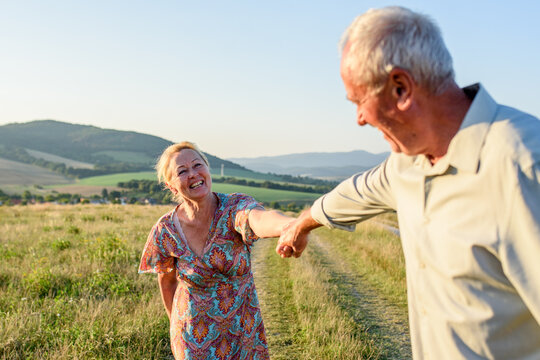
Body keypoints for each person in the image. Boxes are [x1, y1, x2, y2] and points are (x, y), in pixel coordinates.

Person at [277, 6, 540, 359]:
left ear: (401, 88)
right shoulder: (406, 164)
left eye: (358, 101)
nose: (358, 119)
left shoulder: (522, 164)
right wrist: (302, 224)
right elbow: (354, 194)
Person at [139, 141, 293, 360]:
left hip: (243, 334)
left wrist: (288, 227)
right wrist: (175, 327)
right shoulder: (165, 230)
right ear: (171, 186)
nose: (193, 174)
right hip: (193, 340)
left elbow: (258, 218)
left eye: (197, 165)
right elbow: (167, 282)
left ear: (207, 169)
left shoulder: (234, 208)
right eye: (182, 171)